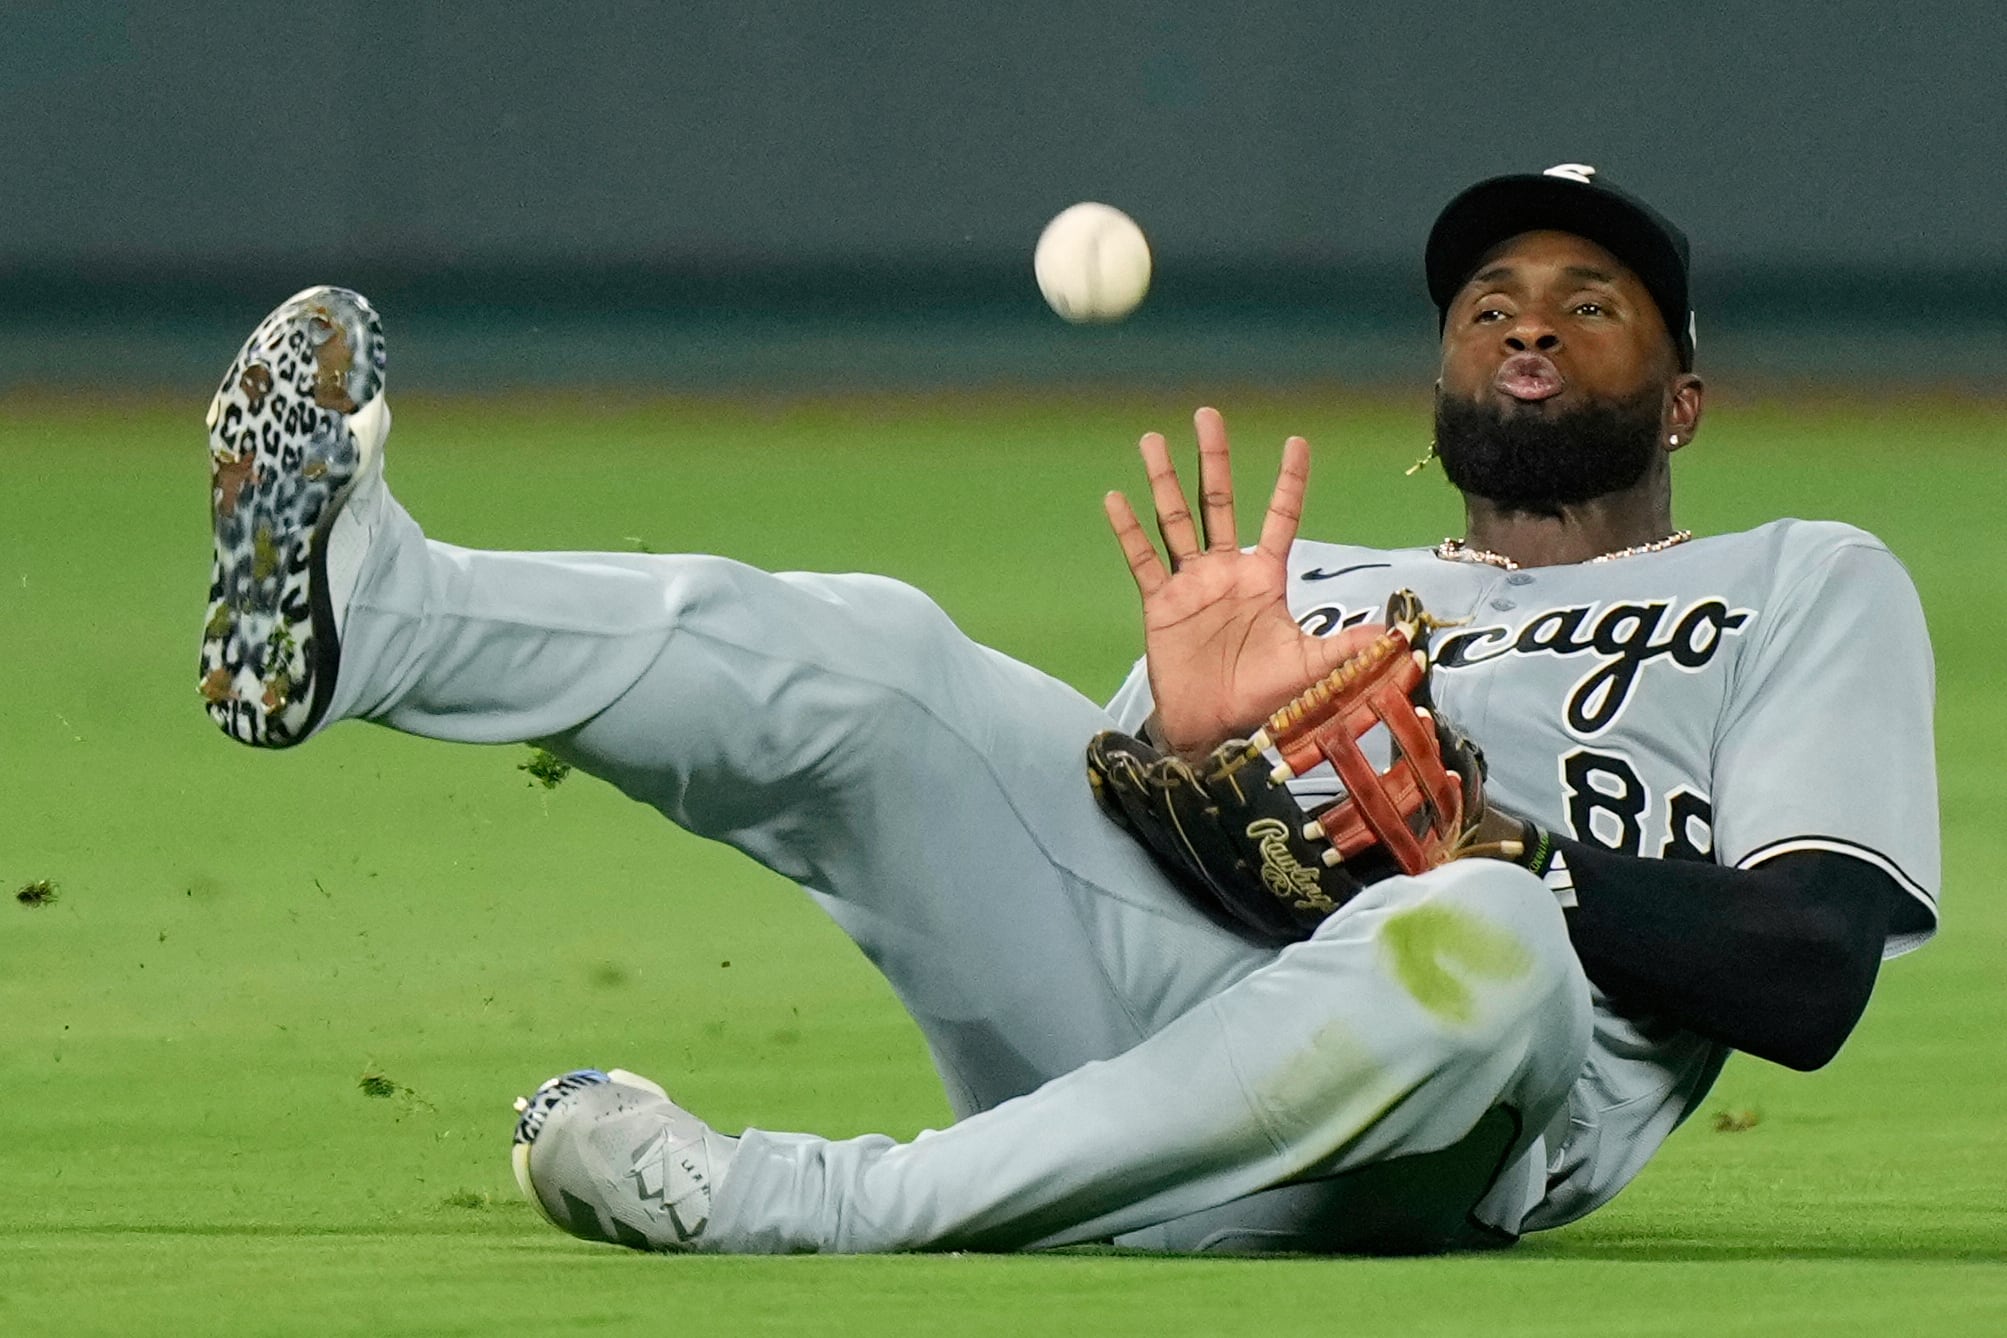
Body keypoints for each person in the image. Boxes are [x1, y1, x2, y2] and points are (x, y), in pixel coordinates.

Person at [199, 165, 1939, 1256]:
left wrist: (1496, 847)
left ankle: (787, 1202)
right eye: (1489, 305)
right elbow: (1108, 870)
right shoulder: (1316, 583)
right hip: (1165, 1031)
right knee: (884, 655)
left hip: (1457, 1110)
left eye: (1589, 304)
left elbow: (1807, 973)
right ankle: (382, 620)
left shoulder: (1801, 579)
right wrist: (1186, 751)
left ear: (1685, 396)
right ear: (1439, 377)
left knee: (1478, 932)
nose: (1527, 329)